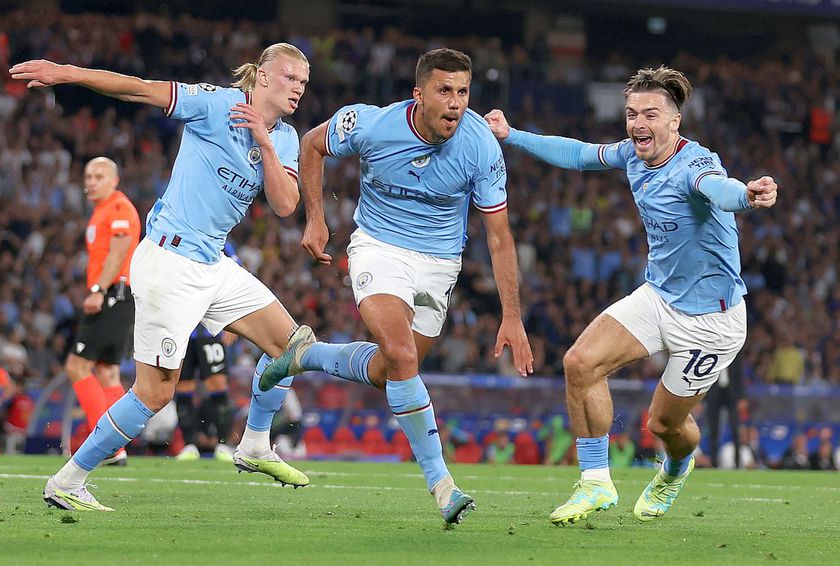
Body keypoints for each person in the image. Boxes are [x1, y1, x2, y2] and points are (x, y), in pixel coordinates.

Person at [11, 42, 313, 512]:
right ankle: (68, 480)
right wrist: (67, 72)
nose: (298, 89)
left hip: (214, 264)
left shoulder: (286, 138)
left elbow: (286, 204)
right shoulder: (216, 104)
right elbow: (139, 90)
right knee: (154, 392)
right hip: (169, 263)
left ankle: (255, 444)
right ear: (266, 76)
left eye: (303, 83)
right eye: (292, 78)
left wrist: (266, 143)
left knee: (292, 346)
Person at [485, 65, 778, 525]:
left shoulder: (696, 164)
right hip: (659, 296)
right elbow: (579, 154)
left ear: (675, 122)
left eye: (651, 114)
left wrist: (748, 194)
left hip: (712, 322)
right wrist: (511, 134)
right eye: (632, 114)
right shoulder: (632, 155)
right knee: (579, 363)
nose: (639, 123)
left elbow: (719, 190)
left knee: (663, 425)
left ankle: (675, 471)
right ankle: (596, 483)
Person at [263, 48, 533, 524]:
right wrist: (316, 218)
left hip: (439, 264)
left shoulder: (481, 146)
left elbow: (499, 236)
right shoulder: (371, 124)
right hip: (378, 249)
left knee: (393, 370)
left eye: (463, 92)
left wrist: (512, 315)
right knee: (404, 356)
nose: (455, 103)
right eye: (444, 91)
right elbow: (310, 143)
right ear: (419, 94)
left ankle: (307, 355)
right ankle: (443, 485)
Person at [66, 156, 139, 466]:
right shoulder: (101, 211)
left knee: (77, 366)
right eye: (88, 176)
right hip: (119, 297)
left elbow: (121, 247)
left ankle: (108, 444)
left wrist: (98, 289)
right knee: (108, 373)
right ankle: (117, 444)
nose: (91, 182)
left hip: (112, 295)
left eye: (99, 176)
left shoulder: (118, 208)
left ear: (114, 180)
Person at [175, 243, 242, 463]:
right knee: (182, 386)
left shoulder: (221, 243)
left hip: (210, 327)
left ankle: (222, 443)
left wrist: (230, 320)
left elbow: (236, 279)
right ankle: (190, 444)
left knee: (217, 384)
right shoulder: (178, 241)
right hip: (182, 327)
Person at [704, 352, 745, 468]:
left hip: (731, 394)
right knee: (713, 429)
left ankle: (737, 462)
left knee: (735, 429)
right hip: (714, 394)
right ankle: (713, 463)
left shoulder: (734, 350)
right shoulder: (711, 351)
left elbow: (739, 374)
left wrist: (742, 396)